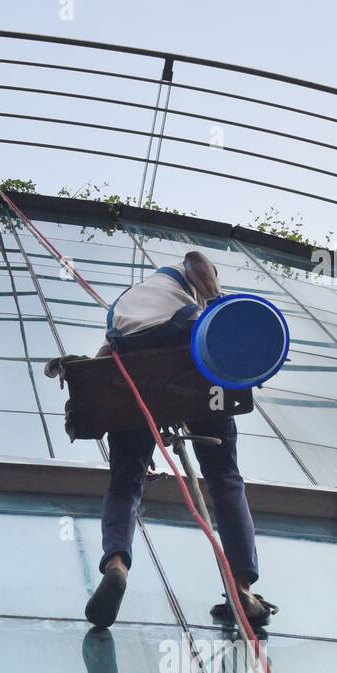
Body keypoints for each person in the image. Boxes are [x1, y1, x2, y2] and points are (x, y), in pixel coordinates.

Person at [85, 251, 275, 630]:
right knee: (224, 477)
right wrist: (219, 303)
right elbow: (195, 257)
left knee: (125, 483)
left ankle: (117, 564)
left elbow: (105, 357)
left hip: (130, 365)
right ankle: (241, 586)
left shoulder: (128, 304)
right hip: (187, 347)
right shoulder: (183, 277)